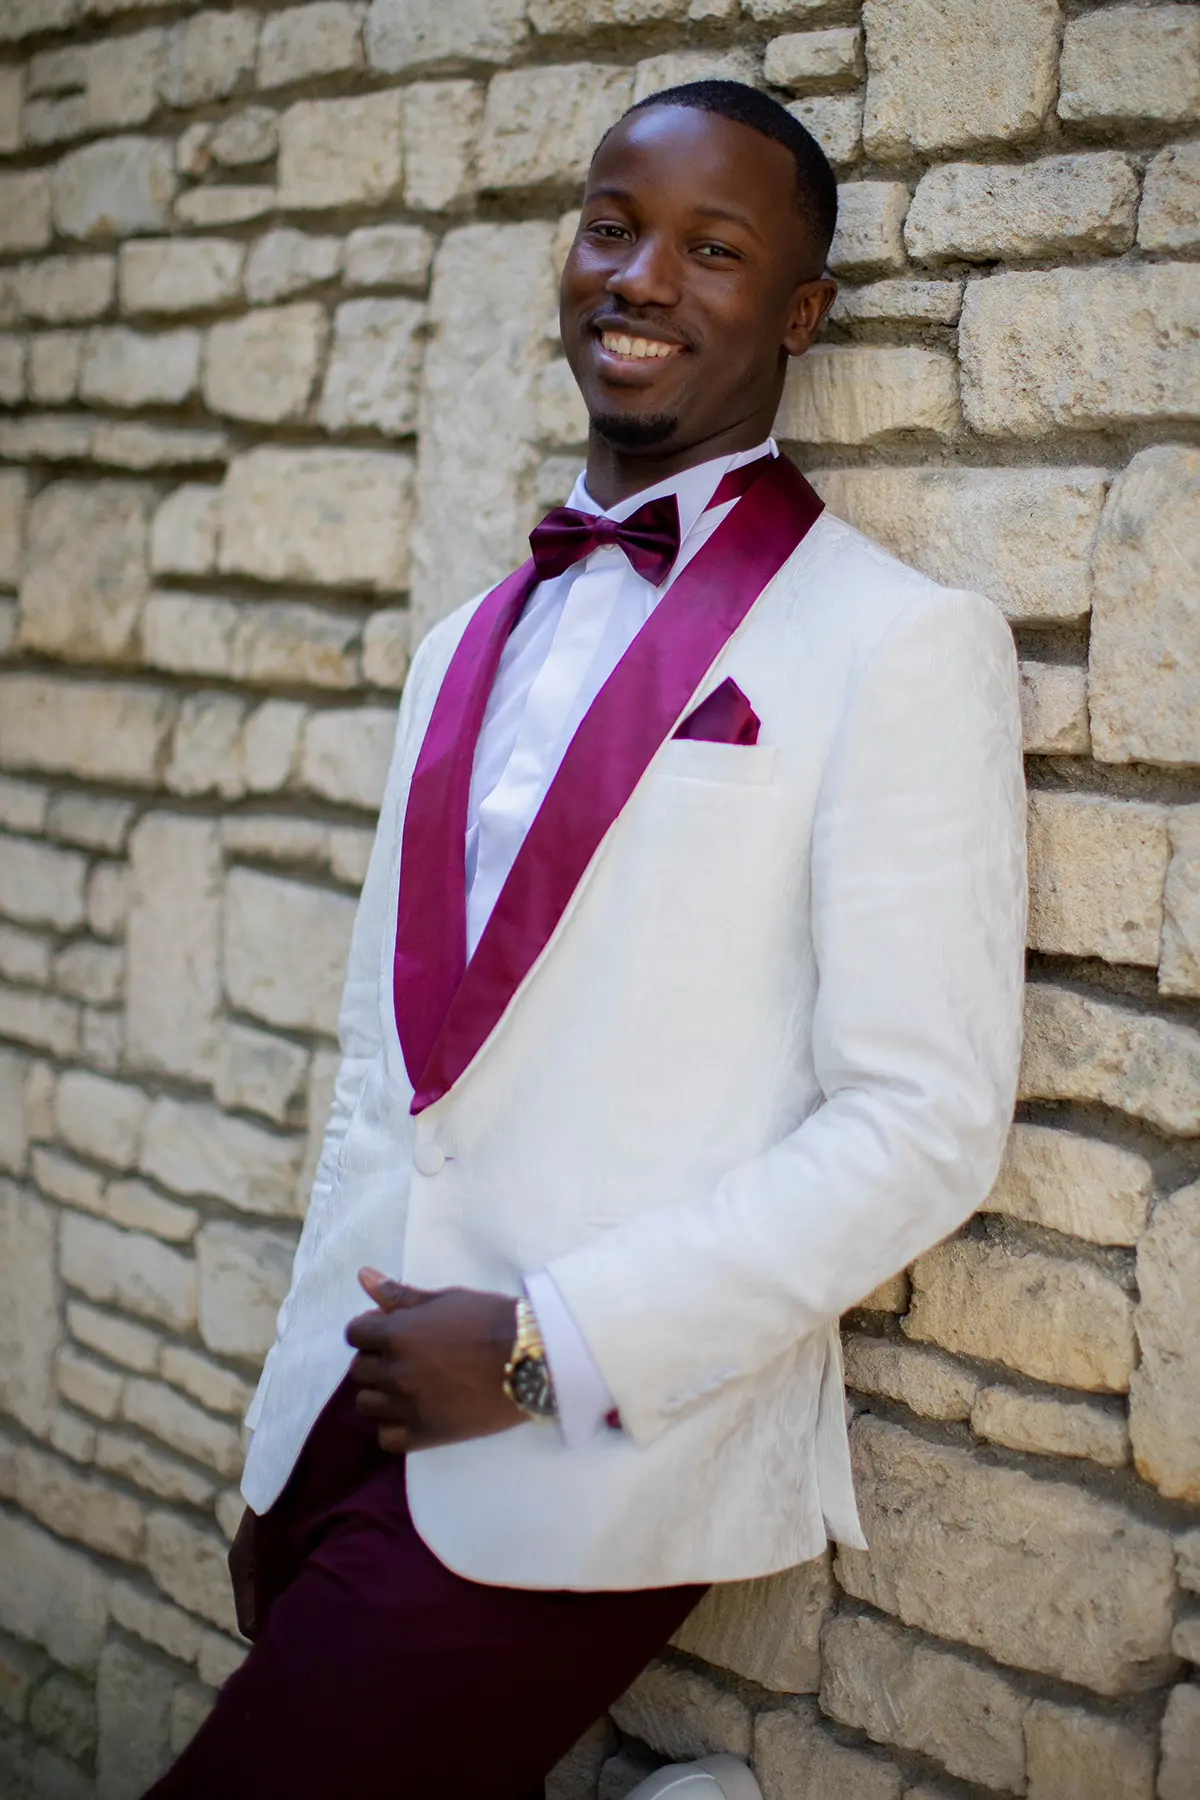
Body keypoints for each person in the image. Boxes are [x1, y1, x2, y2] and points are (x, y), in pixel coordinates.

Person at [146, 80, 1027, 1800]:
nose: (638, 279)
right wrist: (299, 1397)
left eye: (712, 250)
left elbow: (924, 1119)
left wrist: (554, 1343)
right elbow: (390, 1068)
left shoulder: (897, 644)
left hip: (602, 1443)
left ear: (800, 313)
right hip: (348, 1410)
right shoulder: (462, 641)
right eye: (613, 228)